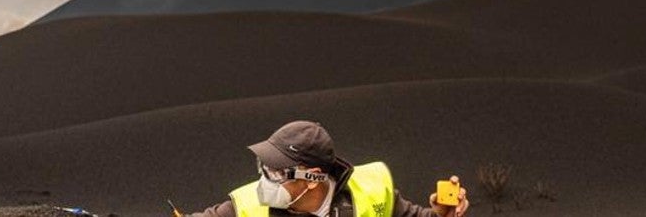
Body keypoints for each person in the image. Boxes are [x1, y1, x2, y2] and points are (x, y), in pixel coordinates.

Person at [184, 121, 469, 217]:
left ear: (312, 178)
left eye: (277, 172)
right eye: (264, 167)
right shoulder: (246, 208)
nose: (265, 179)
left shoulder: (370, 192)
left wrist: (443, 213)